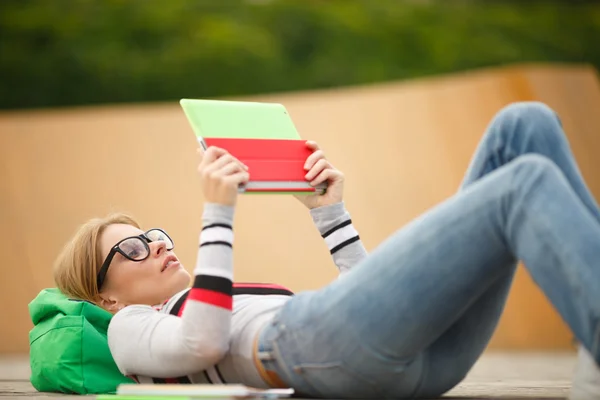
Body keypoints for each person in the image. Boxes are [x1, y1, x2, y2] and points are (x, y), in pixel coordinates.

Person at [52, 102, 599, 399]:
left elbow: (374, 301)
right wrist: (218, 210)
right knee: (522, 182)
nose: (153, 248)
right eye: (130, 248)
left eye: (154, 237)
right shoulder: (131, 328)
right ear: (106, 300)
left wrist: (327, 211)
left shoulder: (218, 298)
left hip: (406, 360)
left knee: (522, 124)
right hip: (324, 353)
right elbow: (203, 342)